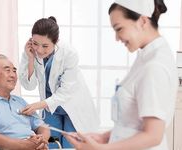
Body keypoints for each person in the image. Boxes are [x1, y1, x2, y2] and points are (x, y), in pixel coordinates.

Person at [64, 0, 178, 149]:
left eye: (119, 29)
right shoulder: (146, 56)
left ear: (143, 21)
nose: (117, 38)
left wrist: (100, 149)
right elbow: (133, 124)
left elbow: (153, 136)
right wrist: (103, 137)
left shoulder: (154, 65)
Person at [19, 16, 100, 148]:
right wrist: (30, 59)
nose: (39, 50)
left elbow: (66, 91)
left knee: (70, 145)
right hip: (50, 107)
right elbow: (29, 86)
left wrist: (37, 105)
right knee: (51, 145)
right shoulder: (30, 52)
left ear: (55, 42)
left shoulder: (69, 53)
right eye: (35, 43)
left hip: (72, 105)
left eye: (45, 46)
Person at [0, 54, 50, 150]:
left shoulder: (20, 101)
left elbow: (43, 127)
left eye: (14, 71)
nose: (13, 75)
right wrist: (25, 145)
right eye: (7, 70)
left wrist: (42, 140)